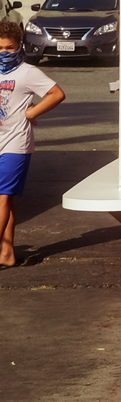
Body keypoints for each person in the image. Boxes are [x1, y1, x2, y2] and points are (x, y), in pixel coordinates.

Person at [0, 21, 65, 268]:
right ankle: (6, 254)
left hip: (16, 143)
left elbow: (56, 94)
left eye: (9, 47)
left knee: (3, 198)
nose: (4, 52)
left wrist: (31, 113)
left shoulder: (27, 72)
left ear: (19, 47)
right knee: (8, 199)